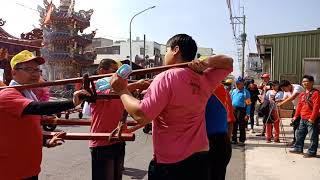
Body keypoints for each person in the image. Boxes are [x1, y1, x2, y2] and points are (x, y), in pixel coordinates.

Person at [110, 34, 233, 180]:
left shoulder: (166, 76)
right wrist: (206, 62)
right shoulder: (204, 78)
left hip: (171, 165)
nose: (164, 56)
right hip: (200, 161)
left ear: (175, 50)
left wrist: (122, 91)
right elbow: (228, 62)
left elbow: (142, 116)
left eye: (166, 51)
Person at [0, 50, 90, 180]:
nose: (35, 74)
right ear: (14, 73)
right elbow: (36, 108)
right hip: (11, 170)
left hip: (29, 168)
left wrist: (45, 141)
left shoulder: (28, 94)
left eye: (37, 70)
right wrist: (72, 102)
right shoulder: (7, 94)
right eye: (29, 69)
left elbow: (24, 130)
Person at [90, 59, 150, 180]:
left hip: (118, 139)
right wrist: (136, 85)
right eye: (114, 71)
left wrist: (122, 122)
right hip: (102, 141)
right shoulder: (96, 84)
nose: (118, 74)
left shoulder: (122, 86)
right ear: (102, 71)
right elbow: (114, 91)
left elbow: (124, 106)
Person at [206, 83, 235, 180]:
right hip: (221, 142)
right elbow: (230, 121)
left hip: (209, 142)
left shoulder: (196, 88)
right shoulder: (224, 92)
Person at [289, 75, 319, 158]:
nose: (305, 83)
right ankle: (298, 148)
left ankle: (312, 151)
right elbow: (299, 106)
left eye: (307, 81)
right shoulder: (302, 94)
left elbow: (316, 106)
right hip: (303, 118)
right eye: (303, 82)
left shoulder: (316, 93)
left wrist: (312, 118)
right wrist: (295, 116)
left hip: (311, 119)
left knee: (312, 136)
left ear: (312, 82)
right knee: (300, 134)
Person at [278, 80, 304, 146]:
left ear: (289, 86)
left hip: (304, 109)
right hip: (296, 109)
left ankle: (299, 142)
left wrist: (281, 103)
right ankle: (295, 141)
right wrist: (279, 100)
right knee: (295, 125)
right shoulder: (286, 90)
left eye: (284, 88)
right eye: (282, 89)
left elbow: (292, 97)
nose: (284, 90)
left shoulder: (297, 88)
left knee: (302, 126)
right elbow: (285, 98)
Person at [230, 77, 251, 145]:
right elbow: (230, 101)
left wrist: (247, 114)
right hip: (234, 109)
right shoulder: (233, 91)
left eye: (239, 83)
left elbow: (248, 104)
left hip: (242, 110)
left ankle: (242, 140)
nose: (237, 84)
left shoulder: (246, 92)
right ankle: (234, 139)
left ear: (242, 84)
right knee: (234, 125)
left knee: (241, 126)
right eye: (236, 83)